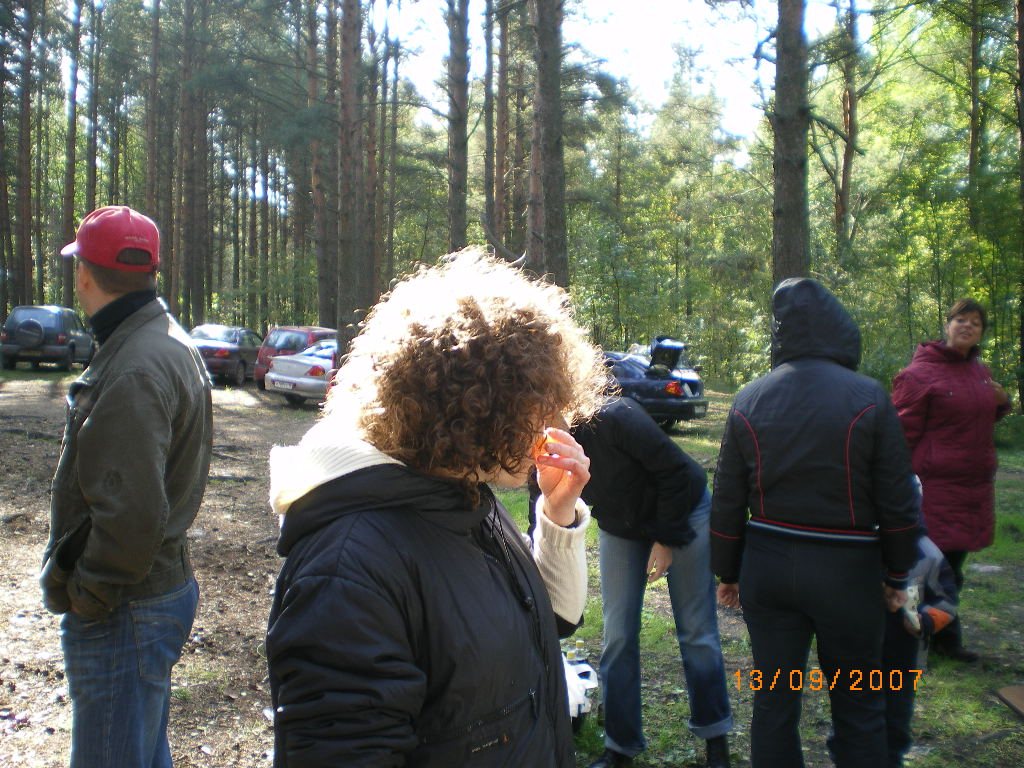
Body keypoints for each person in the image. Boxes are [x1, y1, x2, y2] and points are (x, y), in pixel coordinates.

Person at [265, 249, 609, 767]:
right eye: (537, 409)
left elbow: (553, 619)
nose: (555, 426)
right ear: (471, 406)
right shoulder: (346, 572)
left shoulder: (463, 496)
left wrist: (557, 516)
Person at [710, 277, 921, 768]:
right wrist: (897, 575)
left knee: (774, 701)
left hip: (769, 570)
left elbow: (727, 500)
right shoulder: (869, 397)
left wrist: (728, 572)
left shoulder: (749, 398)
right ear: (839, 329)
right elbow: (897, 501)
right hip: (848, 576)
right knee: (859, 703)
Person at [40, 205, 213, 768]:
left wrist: (89, 596)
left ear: (84, 274)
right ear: (150, 272)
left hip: (126, 606)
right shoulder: (159, 340)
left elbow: (131, 516)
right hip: (148, 597)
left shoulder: (137, 364)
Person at [569, 396, 732, 768]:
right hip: (622, 525)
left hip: (684, 509)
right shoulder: (543, 444)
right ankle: (619, 748)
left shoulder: (615, 416)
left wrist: (664, 538)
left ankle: (716, 741)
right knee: (617, 634)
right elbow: (542, 504)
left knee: (696, 631)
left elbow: (677, 474)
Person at [891, 298, 1011, 662]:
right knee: (932, 567)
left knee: (953, 566)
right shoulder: (919, 373)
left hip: (973, 487)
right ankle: (921, 638)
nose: (967, 326)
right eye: (961, 319)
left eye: (975, 322)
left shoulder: (979, 372)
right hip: (934, 486)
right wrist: (895, 482)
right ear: (947, 325)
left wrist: (1002, 401)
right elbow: (900, 434)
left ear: (981, 332)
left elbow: (979, 412)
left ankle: (941, 637)